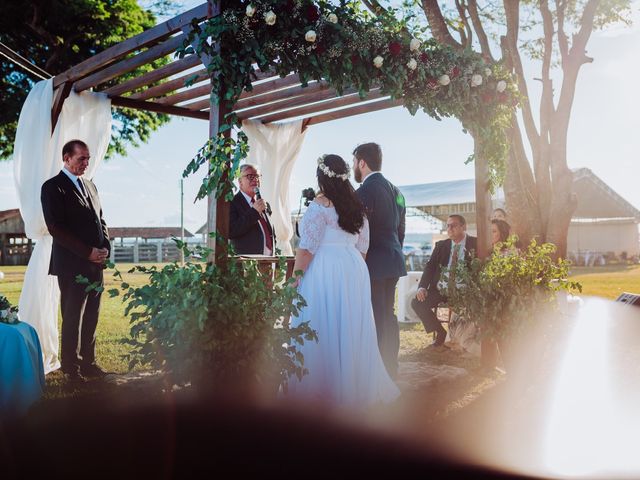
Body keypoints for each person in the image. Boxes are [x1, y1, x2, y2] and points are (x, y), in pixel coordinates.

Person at [287, 154, 399, 406]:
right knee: (349, 323)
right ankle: (353, 384)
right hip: (354, 267)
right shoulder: (356, 205)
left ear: (321, 177)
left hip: (326, 267)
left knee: (322, 321)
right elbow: (363, 246)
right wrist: (351, 267)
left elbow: (306, 248)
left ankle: (323, 386)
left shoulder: (319, 205)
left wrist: (295, 279)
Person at [41, 140, 110, 382]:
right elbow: (55, 228)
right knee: (72, 317)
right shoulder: (52, 187)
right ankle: (71, 367)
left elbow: (100, 220)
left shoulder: (90, 185)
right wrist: (86, 252)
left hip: (96, 264)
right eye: (81, 158)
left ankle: (89, 363)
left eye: (88, 158)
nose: (86, 163)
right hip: (71, 265)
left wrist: (105, 249)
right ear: (66, 158)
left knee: (92, 314)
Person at [352, 142, 406, 380]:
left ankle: (380, 372)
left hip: (372, 262)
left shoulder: (364, 192)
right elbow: (400, 230)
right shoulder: (397, 191)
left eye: (354, 161)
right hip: (393, 260)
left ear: (362, 162)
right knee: (388, 314)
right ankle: (390, 366)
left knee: (376, 316)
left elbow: (355, 231)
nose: (354, 166)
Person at [411, 215, 477, 347]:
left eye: (453, 225)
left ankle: (466, 340)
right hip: (442, 289)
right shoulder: (442, 245)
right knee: (417, 303)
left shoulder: (475, 243)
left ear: (463, 227)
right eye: (448, 225)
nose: (449, 228)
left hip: (465, 291)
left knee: (474, 307)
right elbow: (430, 267)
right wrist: (422, 287)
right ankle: (440, 332)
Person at [229, 164, 275, 255]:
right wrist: (254, 212)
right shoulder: (232, 202)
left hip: (269, 262)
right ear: (240, 181)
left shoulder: (264, 204)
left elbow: (270, 234)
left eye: (257, 176)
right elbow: (231, 231)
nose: (255, 179)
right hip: (246, 264)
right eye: (250, 176)